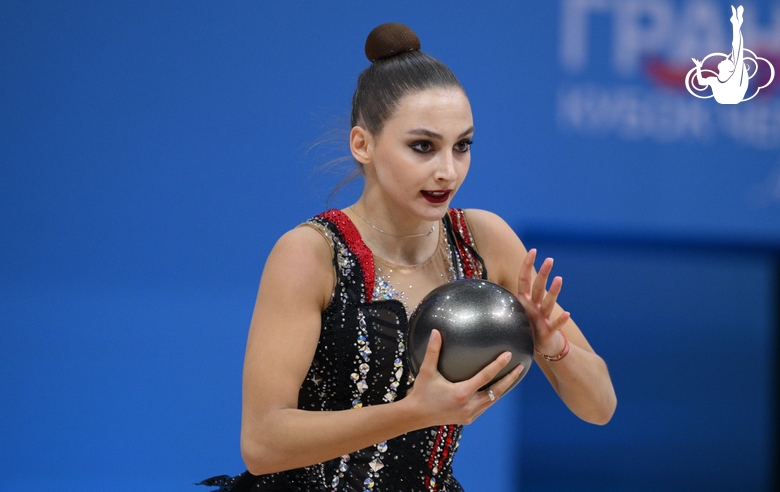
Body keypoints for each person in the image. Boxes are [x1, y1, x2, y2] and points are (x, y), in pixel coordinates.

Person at [201, 22, 616, 492]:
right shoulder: (310, 253)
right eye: (423, 146)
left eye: (462, 146)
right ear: (364, 144)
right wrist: (413, 413)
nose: (448, 170)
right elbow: (261, 443)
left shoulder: (485, 239)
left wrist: (550, 342)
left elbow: (600, 407)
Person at [692, 5, 748, 104]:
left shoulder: (734, 78)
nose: (725, 59)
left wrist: (736, 25)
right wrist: (698, 67)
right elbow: (701, 81)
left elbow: (737, 46)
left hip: (732, 96)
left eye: (728, 61)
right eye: (728, 60)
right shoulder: (715, 80)